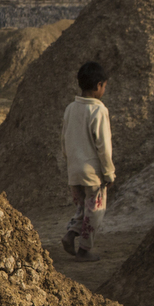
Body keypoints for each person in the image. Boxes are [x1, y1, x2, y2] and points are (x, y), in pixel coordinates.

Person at [60, 61, 115, 262]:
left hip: (74, 170)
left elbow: (64, 140)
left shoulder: (70, 109)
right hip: (92, 173)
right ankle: (83, 250)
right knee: (95, 211)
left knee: (83, 208)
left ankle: (70, 234)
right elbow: (104, 146)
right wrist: (108, 173)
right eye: (104, 87)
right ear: (98, 86)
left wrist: (70, 162)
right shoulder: (99, 111)